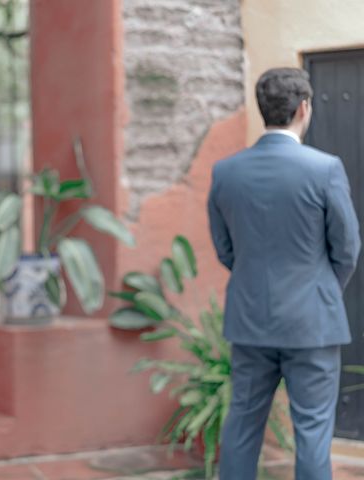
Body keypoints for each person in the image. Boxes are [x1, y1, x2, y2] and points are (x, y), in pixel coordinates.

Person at [208, 67, 361, 480]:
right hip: (312, 323)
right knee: (312, 431)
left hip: (250, 318)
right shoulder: (325, 168)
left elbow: (224, 249)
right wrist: (324, 288)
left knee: (241, 425)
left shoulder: (226, 171)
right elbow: (347, 248)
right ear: (304, 108)